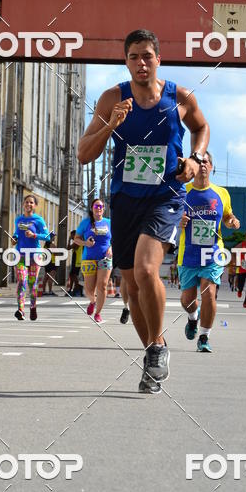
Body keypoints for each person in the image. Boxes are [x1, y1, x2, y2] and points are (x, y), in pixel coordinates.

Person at [77, 29, 210, 393]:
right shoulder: (111, 99)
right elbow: (83, 153)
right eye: (133, 56)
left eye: (147, 55)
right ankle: (155, 350)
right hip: (125, 200)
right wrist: (109, 125)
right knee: (131, 287)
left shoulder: (179, 97)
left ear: (158, 59)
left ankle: (156, 349)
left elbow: (201, 127)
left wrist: (196, 159)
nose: (141, 63)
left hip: (165, 195)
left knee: (146, 268)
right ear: (126, 61)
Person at [178, 152, 240, 353]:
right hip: (188, 254)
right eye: (198, 162)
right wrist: (178, 221)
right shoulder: (181, 191)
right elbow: (168, 216)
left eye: (206, 161)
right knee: (187, 300)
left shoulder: (221, 193)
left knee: (208, 292)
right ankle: (192, 319)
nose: (202, 165)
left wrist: (232, 221)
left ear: (211, 167)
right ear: (192, 167)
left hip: (213, 253)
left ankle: (204, 337)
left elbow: (228, 216)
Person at [12, 193, 50, 321]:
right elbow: (16, 233)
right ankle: (20, 310)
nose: (28, 204)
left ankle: (33, 307)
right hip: (20, 254)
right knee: (22, 281)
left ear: (35, 205)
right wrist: (14, 238)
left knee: (32, 283)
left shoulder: (38, 220)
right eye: (26, 202)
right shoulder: (18, 220)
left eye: (31, 202)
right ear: (23, 204)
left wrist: (34, 235)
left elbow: (47, 236)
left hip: (35, 255)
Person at [74, 199, 113, 323]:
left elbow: (116, 238)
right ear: (92, 208)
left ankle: (98, 313)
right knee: (89, 289)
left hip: (105, 259)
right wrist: (85, 243)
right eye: (96, 206)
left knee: (102, 286)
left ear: (104, 208)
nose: (99, 208)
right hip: (89, 259)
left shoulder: (109, 223)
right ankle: (93, 301)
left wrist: (111, 248)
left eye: (101, 206)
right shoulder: (85, 223)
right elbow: (76, 239)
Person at [66, 230, 79, 296]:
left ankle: (76, 288)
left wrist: (69, 240)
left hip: (77, 260)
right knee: (72, 275)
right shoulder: (77, 241)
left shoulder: (77, 242)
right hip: (76, 260)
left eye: (71, 235)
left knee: (73, 275)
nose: (71, 237)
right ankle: (72, 289)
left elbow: (68, 248)